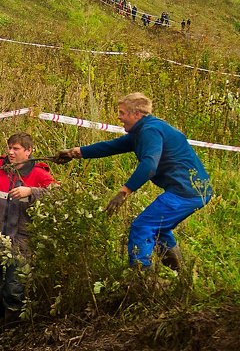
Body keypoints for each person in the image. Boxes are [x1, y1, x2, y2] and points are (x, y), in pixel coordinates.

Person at [58, 93, 212, 270]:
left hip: (186, 191)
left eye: (122, 113)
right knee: (160, 229)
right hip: (192, 190)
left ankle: (140, 279)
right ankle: (180, 277)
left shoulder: (150, 131)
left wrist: (124, 192)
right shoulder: (141, 131)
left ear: (137, 114)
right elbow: (112, 146)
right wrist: (75, 152)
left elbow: (149, 165)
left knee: (143, 226)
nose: (119, 117)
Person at [0, 132, 57, 332]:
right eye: (9, 148)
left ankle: (12, 328)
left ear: (29, 151)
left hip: (21, 240)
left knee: (15, 289)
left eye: (16, 149)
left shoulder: (39, 174)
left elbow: (59, 193)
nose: (11, 153)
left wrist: (31, 191)